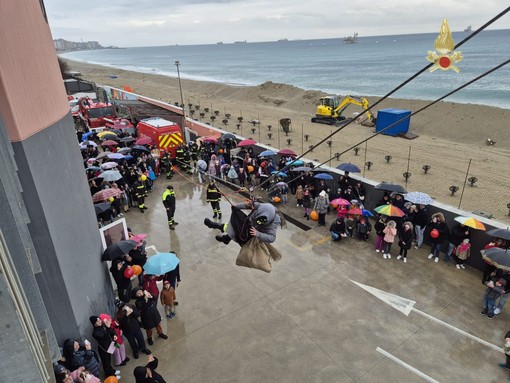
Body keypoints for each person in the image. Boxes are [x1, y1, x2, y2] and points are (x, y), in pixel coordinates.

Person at [204, 200, 281, 245]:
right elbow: (248, 205)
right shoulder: (261, 206)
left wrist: (257, 233)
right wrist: (236, 207)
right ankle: (226, 238)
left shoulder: (273, 224)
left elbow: (272, 238)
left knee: (237, 230)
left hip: (253, 234)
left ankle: (215, 226)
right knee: (236, 224)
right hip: (248, 223)